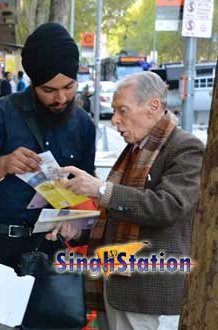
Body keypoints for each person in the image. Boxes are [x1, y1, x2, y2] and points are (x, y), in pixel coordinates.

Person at [0, 23, 96, 329]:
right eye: (49, 90)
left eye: (69, 86)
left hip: (48, 248)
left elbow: (86, 191)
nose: (60, 97)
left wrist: (70, 221)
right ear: (33, 83)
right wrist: (1, 165)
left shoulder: (84, 124)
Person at [58, 71, 204, 330]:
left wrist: (101, 189)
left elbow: (167, 206)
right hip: (111, 277)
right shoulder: (137, 147)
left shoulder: (185, 147)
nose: (115, 120)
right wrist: (80, 231)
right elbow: (119, 213)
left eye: (122, 111)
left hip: (141, 288)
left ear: (154, 107)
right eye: (114, 111)